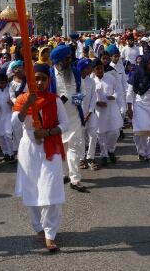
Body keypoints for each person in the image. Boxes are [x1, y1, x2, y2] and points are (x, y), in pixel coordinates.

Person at [12, 63, 69, 253]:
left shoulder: (55, 100)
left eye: (43, 79)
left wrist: (49, 132)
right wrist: (28, 103)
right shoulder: (22, 99)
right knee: (32, 190)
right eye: (36, 79)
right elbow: (14, 124)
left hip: (50, 147)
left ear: (49, 80)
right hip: (29, 150)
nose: (39, 82)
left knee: (50, 190)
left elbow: (65, 124)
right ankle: (38, 228)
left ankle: (50, 234)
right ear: (30, 80)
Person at [50, 45, 88, 192]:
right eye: (67, 59)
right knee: (60, 149)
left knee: (75, 148)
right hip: (57, 119)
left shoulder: (76, 72)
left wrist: (75, 100)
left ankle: (75, 179)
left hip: (74, 118)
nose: (70, 60)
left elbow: (83, 91)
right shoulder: (50, 74)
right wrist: (59, 101)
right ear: (59, 61)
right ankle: (63, 174)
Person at [91, 58, 123, 166]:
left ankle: (111, 150)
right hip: (99, 111)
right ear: (93, 70)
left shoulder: (111, 78)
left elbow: (119, 90)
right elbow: (89, 97)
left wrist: (113, 97)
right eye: (97, 69)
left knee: (115, 132)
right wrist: (97, 102)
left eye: (101, 68)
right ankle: (104, 155)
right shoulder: (92, 81)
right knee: (101, 134)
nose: (100, 70)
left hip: (112, 108)